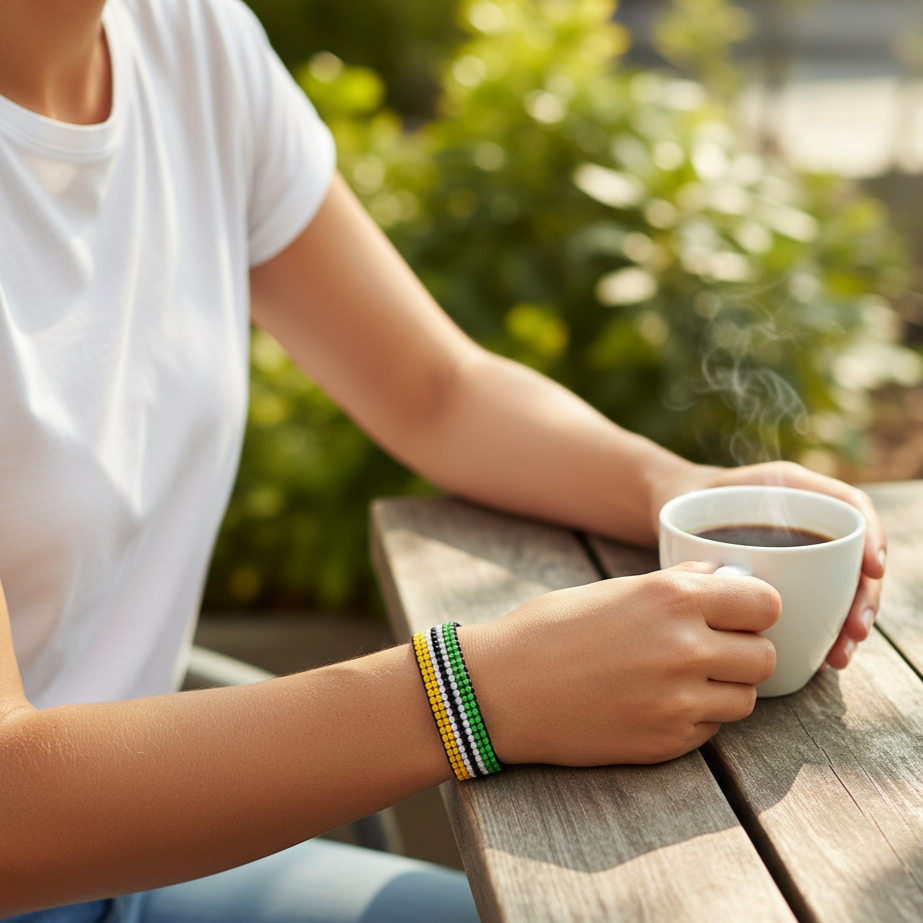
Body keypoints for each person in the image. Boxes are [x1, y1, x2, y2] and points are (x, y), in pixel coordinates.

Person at [0, 0, 886, 919]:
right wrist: (477, 692)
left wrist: (679, 487)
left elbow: (432, 387)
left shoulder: (187, 39)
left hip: (133, 867)